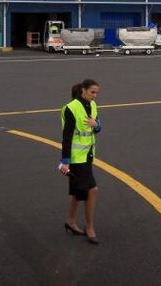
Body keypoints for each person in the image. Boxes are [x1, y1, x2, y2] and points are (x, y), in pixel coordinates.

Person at [58, 79, 101, 244]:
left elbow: (97, 127)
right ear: (83, 90)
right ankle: (90, 227)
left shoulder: (93, 105)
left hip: (88, 155)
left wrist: (96, 124)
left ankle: (70, 221)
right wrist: (65, 161)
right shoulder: (71, 108)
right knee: (92, 190)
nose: (95, 95)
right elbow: (67, 137)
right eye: (92, 92)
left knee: (79, 192)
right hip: (76, 158)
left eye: (96, 93)